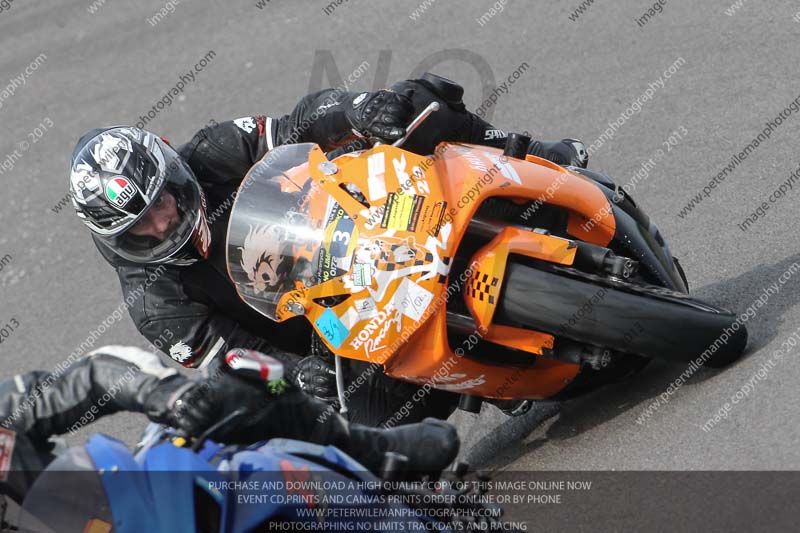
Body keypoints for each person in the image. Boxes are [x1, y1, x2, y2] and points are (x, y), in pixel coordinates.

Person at [67, 73, 588, 425]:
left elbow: (299, 123)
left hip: (355, 217)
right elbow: (229, 358)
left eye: (162, 199)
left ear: (171, 171)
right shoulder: (154, 302)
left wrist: (357, 111)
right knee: (354, 421)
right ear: (119, 238)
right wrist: (290, 373)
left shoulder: (210, 152)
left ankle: (540, 159)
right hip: (330, 328)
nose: (164, 219)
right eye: (143, 225)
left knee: (414, 103)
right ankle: (478, 379)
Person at [0, 346, 458, 504]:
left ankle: (371, 453)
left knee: (247, 388)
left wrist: (171, 397)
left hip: (130, 504)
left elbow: (98, 374)